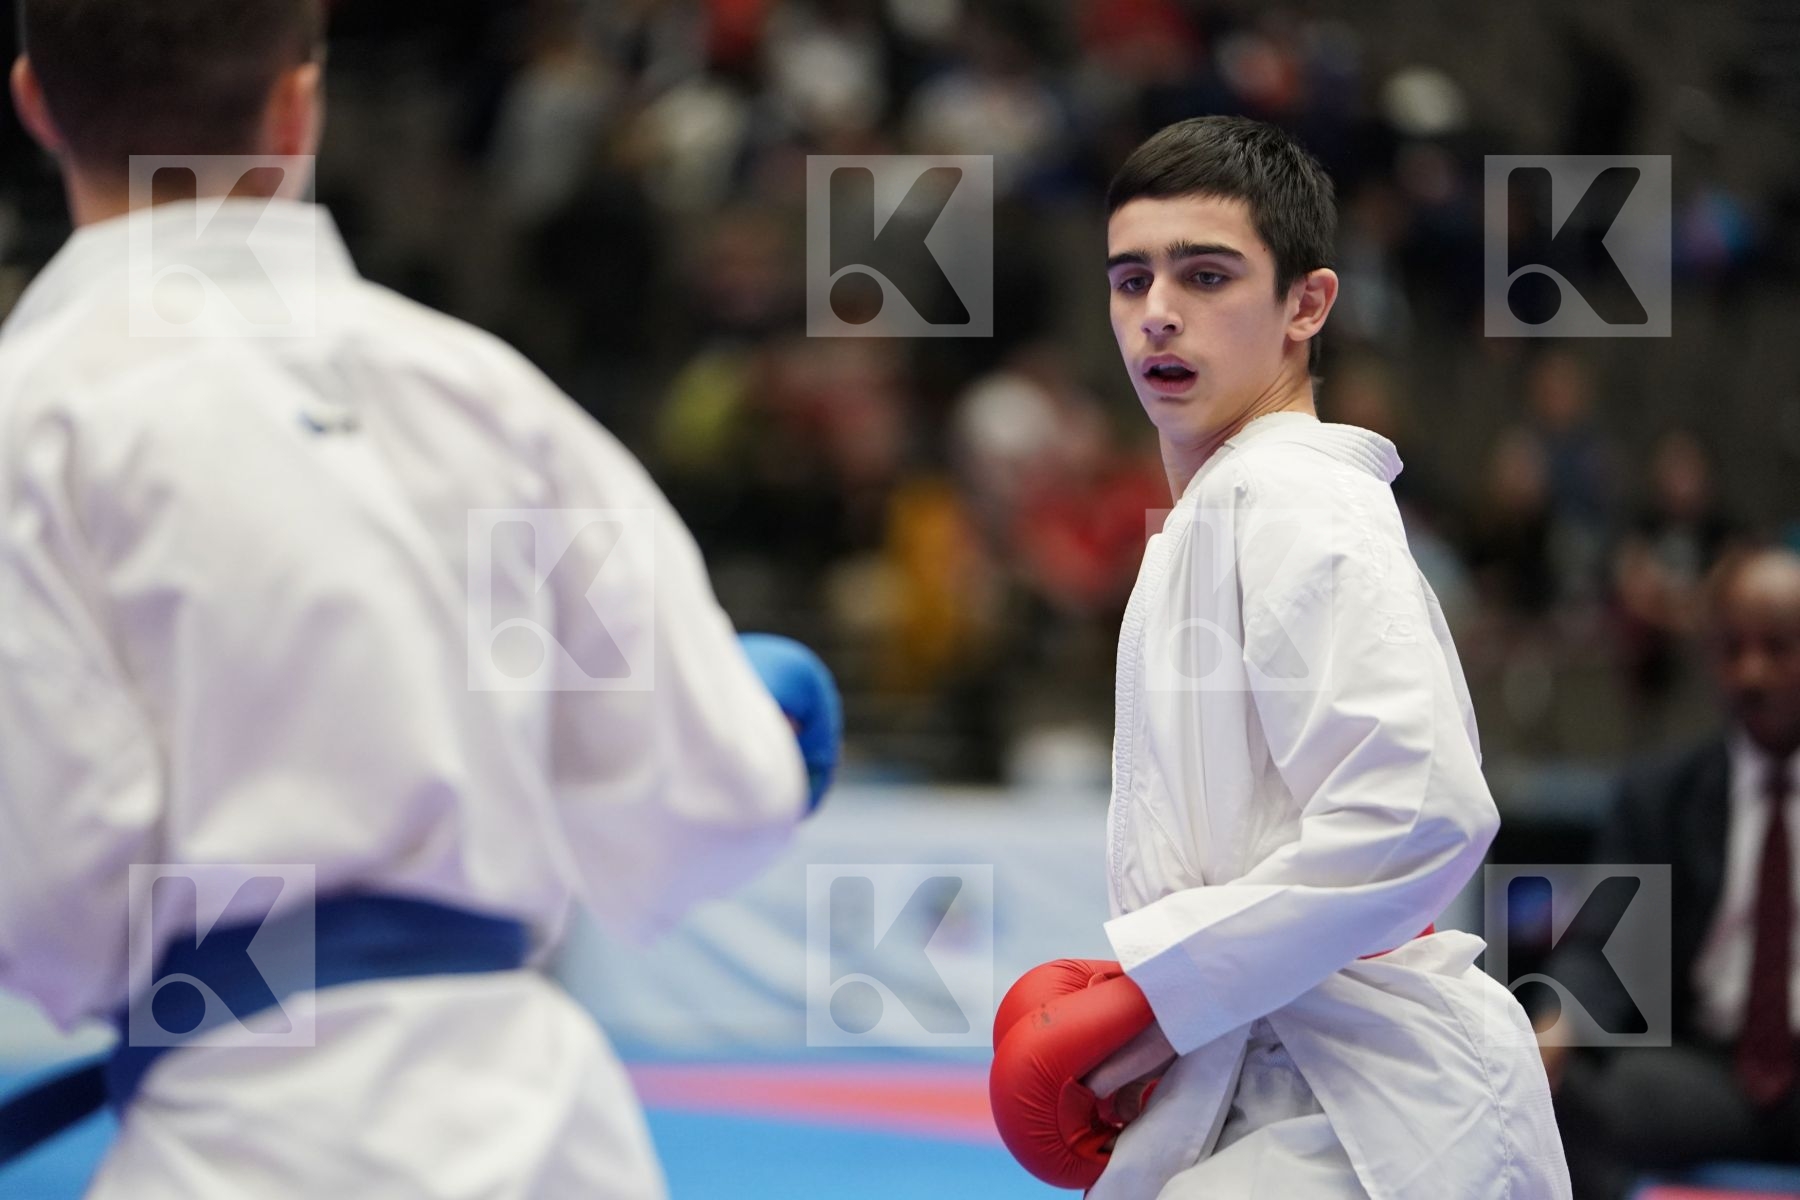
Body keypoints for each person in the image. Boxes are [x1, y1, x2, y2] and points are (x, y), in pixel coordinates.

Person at [0, 2, 839, 1197]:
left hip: (242, 1140)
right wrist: (763, 730)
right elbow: (703, 801)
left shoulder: (32, 423)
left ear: (35, 103)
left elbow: (56, 900)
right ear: (301, 105)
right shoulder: (485, 400)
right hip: (544, 1134)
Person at [991, 116, 1571, 1197]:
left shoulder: (1293, 496)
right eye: (1130, 280)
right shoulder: (1227, 507)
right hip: (1290, 1094)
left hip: (1377, 1121)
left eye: (1206, 275)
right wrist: (1157, 1001)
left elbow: (1421, 809)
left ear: (1307, 304)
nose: (1158, 311)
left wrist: (1159, 990)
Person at [1540, 545, 1800, 1198]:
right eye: (1732, 649)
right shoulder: (1662, 794)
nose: (1752, 673)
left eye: (1777, 648)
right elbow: (1606, 949)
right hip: (1704, 1071)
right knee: (1553, 1092)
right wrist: (1556, 1026)